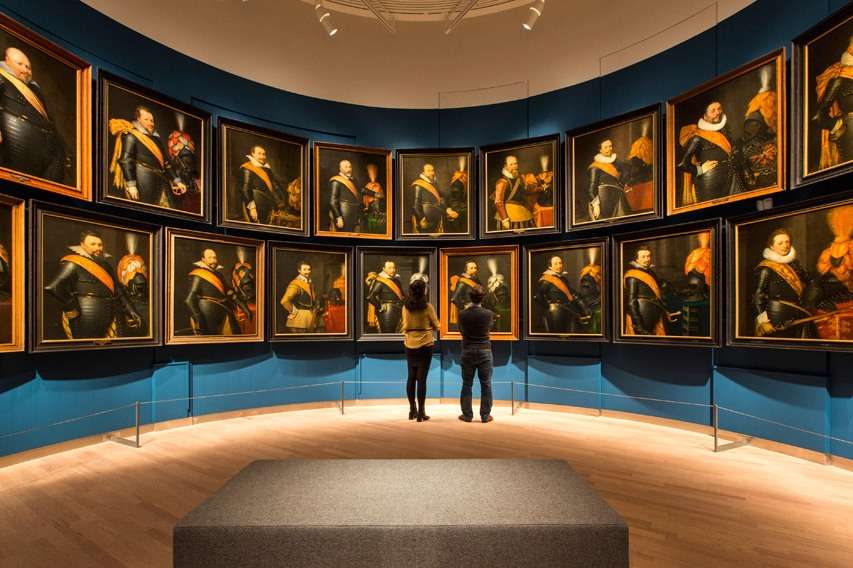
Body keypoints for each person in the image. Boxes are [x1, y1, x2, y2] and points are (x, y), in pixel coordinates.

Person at [44, 230, 142, 339]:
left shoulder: (106, 266)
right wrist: (71, 307)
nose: (98, 248)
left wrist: (131, 310)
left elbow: (118, 291)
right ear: (82, 245)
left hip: (110, 314)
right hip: (85, 317)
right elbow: (53, 287)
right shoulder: (73, 263)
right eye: (93, 244)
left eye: (100, 245)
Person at [0, 47, 68, 183]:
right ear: (6, 61)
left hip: (45, 155)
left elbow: (49, 122)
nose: (25, 70)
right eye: (20, 64)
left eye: (28, 67)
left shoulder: (35, 89)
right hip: (16, 149)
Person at [109, 105, 187, 208]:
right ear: (138, 119)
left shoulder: (156, 139)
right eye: (146, 119)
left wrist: (177, 181)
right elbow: (126, 160)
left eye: (152, 120)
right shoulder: (130, 135)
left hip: (161, 182)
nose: (151, 123)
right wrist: (131, 185)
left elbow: (166, 163)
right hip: (142, 181)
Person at [677, 101, 743, 206]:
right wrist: (700, 169)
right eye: (713, 110)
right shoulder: (697, 137)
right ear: (705, 116)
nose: (718, 112)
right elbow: (682, 164)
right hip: (710, 184)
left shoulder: (724, 133)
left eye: (719, 109)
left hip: (731, 180)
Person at [401, 279, 439, 422]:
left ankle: (412, 410)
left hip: (409, 343)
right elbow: (436, 325)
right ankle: (421, 412)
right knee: (421, 379)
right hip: (425, 344)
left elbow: (405, 324)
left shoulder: (405, 307)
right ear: (423, 291)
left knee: (411, 376)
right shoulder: (428, 307)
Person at [184, 248, 247, 335]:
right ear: (203, 259)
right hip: (207, 316)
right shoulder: (198, 275)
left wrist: (244, 307)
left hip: (223, 312)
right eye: (209, 258)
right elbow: (189, 300)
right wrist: (198, 319)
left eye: (214, 258)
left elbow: (230, 293)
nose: (213, 260)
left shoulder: (219, 274)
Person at [458, 286, 494, 424]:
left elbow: (461, 330)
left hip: (467, 350)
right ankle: (485, 416)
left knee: (467, 384)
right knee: (486, 384)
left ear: (470, 297)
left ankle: (467, 415)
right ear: (482, 298)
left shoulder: (462, 314)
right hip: (484, 351)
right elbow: (489, 328)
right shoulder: (488, 314)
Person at [535, 255, 589, 333]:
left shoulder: (563, 278)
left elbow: (571, 293)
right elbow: (538, 297)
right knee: (558, 334)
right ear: (550, 266)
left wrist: (583, 306)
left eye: (560, 263)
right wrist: (549, 306)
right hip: (556, 313)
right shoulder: (546, 280)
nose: (559, 266)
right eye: (556, 264)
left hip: (567, 310)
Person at [239, 144, 290, 225]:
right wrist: (252, 208)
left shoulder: (266, 168)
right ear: (252, 154)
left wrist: (280, 203)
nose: (262, 156)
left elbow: (274, 186)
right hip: (257, 204)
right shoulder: (247, 168)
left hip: (269, 204)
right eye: (259, 153)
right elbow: (245, 189)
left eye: (263, 154)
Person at [587, 139, 630, 220]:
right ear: (600, 150)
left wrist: (622, 184)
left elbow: (626, 172)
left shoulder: (616, 162)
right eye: (606, 147)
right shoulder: (595, 167)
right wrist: (596, 205)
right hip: (603, 201)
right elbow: (591, 190)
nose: (609, 149)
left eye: (610, 146)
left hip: (617, 198)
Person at [411, 163, 458, 233]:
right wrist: (421, 219)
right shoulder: (419, 185)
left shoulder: (434, 183)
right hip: (426, 219)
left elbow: (441, 197)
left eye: (432, 170)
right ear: (423, 172)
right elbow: (416, 205)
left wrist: (448, 209)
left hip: (437, 215)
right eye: (428, 171)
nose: (431, 173)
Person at [365, 260, 405, 333]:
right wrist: (379, 307)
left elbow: (402, 295)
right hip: (387, 311)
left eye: (393, 268)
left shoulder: (397, 280)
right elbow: (370, 297)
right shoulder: (380, 281)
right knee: (388, 333)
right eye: (389, 268)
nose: (392, 270)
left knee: (397, 332)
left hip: (399, 309)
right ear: (384, 269)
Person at [280, 260, 318, 333]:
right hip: (298, 319)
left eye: (309, 269)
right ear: (299, 270)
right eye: (304, 269)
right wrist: (294, 311)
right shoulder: (295, 283)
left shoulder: (310, 283)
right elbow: (284, 301)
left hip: (309, 317)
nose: (307, 272)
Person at [329, 159, 362, 232]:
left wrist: (375, 194)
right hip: (344, 215)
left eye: (350, 167)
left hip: (355, 215)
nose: (348, 169)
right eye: (346, 167)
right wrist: (338, 217)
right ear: (340, 168)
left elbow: (361, 190)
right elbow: (333, 202)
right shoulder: (336, 181)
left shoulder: (353, 180)